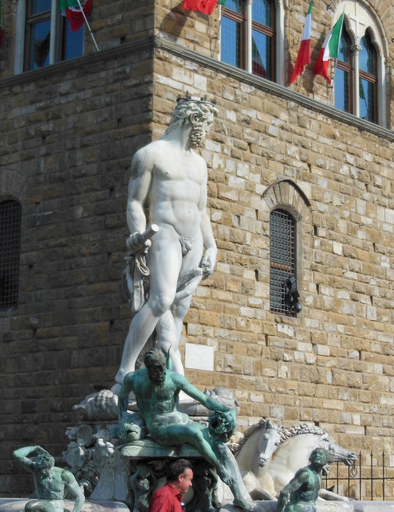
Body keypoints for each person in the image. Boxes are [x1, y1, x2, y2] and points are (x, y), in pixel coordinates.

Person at [112, 96, 219, 394]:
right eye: (205, 125)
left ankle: (167, 379)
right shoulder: (150, 154)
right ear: (193, 121)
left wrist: (211, 246)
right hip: (165, 233)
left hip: (193, 238)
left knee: (177, 312)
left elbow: (202, 210)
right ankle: (124, 372)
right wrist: (138, 233)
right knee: (160, 300)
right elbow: (135, 201)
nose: (206, 133)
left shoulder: (199, 163)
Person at [117, 348, 253, 511]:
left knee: (219, 444)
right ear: (147, 367)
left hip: (181, 420)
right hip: (160, 428)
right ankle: (220, 469)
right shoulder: (133, 379)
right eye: (154, 368)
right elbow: (122, 399)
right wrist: (123, 420)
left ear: (166, 364)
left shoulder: (174, 379)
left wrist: (227, 410)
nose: (158, 372)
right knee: (194, 433)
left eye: (161, 368)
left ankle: (239, 496)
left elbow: (205, 400)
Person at [13, 446, 85, 512]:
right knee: (29, 507)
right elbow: (17, 454)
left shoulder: (64, 475)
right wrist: (35, 448)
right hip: (41, 503)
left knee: (30, 506)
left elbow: (80, 497)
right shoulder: (36, 469)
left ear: (51, 467)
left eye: (44, 471)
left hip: (56, 506)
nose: (41, 473)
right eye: (40, 471)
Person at [277, 448, 328, 512]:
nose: (317, 455)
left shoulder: (318, 475)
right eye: (314, 454)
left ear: (326, 460)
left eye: (320, 454)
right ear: (311, 458)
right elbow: (284, 492)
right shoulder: (305, 473)